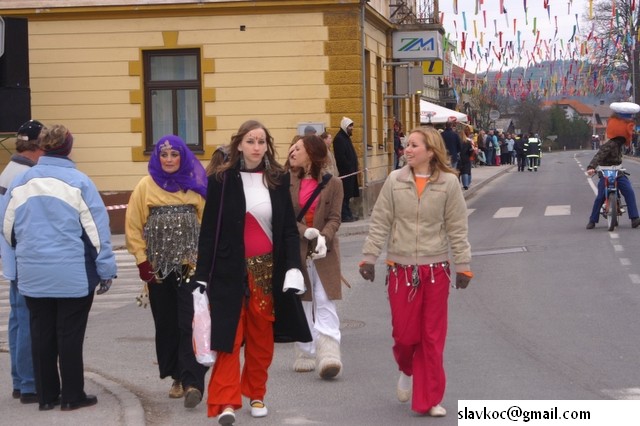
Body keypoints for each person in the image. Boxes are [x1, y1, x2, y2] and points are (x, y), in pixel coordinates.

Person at [191, 120, 311, 425]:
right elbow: (209, 233)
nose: (256, 147)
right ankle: (225, 402)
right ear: (239, 144)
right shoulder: (221, 180)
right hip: (228, 272)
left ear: (267, 146)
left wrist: (294, 267)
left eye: (261, 142)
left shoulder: (277, 179)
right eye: (251, 141)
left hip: (267, 271)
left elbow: (287, 229)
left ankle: (256, 392)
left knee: (261, 338)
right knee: (228, 338)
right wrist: (201, 276)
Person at [0, 124, 117, 411]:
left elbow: (7, 227)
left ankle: (46, 396)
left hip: (33, 273)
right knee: (70, 336)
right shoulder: (79, 182)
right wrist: (106, 270)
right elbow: (97, 234)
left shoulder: (22, 181)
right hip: (71, 273)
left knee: (41, 334)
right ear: (68, 148)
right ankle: (72, 395)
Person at [358, 126, 472, 418]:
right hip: (401, 269)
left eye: (413, 145)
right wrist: (369, 258)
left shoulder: (448, 183)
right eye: (406, 145)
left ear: (430, 151)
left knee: (432, 337)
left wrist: (463, 266)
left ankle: (430, 398)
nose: (407, 150)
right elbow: (381, 221)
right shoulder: (395, 181)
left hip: (436, 271)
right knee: (405, 335)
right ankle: (406, 369)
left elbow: (457, 228)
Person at [125, 135, 209, 408]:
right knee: (167, 324)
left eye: (175, 154)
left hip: (190, 267)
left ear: (183, 156)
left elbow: (206, 226)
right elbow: (133, 226)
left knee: (190, 322)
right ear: (157, 158)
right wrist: (142, 262)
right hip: (158, 271)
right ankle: (176, 376)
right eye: (165, 155)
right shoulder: (144, 187)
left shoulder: (195, 186)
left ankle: (192, 381)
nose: (170, 160)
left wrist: (207, 263)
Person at [287, 134, 344, 379]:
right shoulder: (285, 181)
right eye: (292, 147)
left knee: (324, 296)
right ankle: (305, 350)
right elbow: (286, 219)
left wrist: (323, 236)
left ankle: (329, 351)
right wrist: (305, 231)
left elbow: (335, 217)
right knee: (303, 298)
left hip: (325, 250)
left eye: (297, 148)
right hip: (298, 248)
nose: (292, 151)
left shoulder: (334, 183)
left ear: (311, 153)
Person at [0, 120, 45, 405]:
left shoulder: (9, 170)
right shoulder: (26, 175)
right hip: (22, 256)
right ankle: (29, 383)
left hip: (11, 257)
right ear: (37, 148)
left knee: (18, 319)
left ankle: (20, 380)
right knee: (28, 320)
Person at [586, 102, 640, 230]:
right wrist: (591, 167)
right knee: (600, 196)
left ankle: (635, 218)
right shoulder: (610, 144)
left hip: (618, 172)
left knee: (629, 191)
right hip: (605, 173)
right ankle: (592, 220)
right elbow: (598, 156)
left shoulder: (620, 143)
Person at [333, 117, 359, 222]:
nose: (352, 128)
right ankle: (344, 215)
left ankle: (348, 213)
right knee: (344, 195)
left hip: (350, 172)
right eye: (350, 126)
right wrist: (349, 166)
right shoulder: (339, 139)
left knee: (348, 195)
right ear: (345, 126)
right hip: (345, 173)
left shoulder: (346, 137)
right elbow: (341, 157)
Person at [457, 125, 474, 190]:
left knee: (458, 171)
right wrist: (470, 155)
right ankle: (466, 185)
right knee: (466, 171)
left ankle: (457, 185)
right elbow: (470, 150)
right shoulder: (467, 142)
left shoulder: (458, 141)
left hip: (459, 158)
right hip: (466, 158)